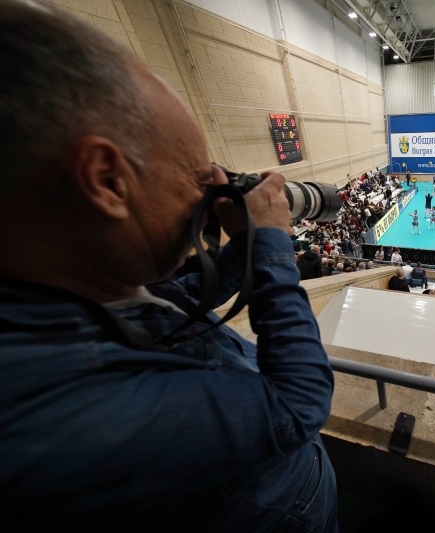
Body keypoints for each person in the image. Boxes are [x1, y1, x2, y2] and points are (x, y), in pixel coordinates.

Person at [0, 3, 337, 531]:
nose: (210, 194)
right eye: (199, 177)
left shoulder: (68, 294)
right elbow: (297, 405)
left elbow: (169, 302)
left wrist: (247, 242)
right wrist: (271, 240)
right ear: (106, 180)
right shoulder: (45, 406)